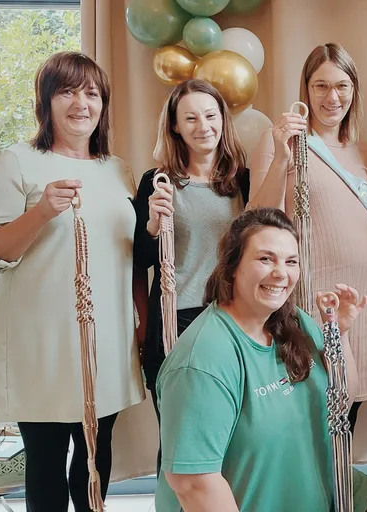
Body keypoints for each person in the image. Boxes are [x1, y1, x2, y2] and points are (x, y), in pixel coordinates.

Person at [0, 51, 144, 511]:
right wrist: (41, 211)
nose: (81, 103)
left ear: (103, 103)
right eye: (66, 91)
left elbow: (129, 255)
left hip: (106, 342)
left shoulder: (118, 170)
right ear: (45, 103)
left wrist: (140, 322)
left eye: (91, 92)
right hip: (40, 345)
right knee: (44, 465)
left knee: (94, 462)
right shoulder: (15, 162)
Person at [155, 207, 367, 512]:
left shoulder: (293, 321)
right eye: (265, 258)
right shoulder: (203, 360)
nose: (281, 273)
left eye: (291, 261)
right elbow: (193, 484)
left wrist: (341, 334)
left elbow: (344, 396)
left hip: (307, 480)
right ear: (233, 266)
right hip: (250, 499)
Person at [250, 42, 367, 434]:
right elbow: (257, 219)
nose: (333, 97)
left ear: (354, 90)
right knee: (311, 404)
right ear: (305, 90)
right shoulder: (281, 140)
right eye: (321, 86)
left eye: (342, 86)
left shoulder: (365, 151)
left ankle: (338, 493)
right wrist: (281, 158)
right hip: (312, 294)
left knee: (347, 412)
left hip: (359, 299)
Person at [132, 79, 250, 424]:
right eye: (191, 119)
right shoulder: (156, 181)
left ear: (223, 120)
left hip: (234, 317)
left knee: (233, 434)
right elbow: (139, 260)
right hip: (178, 320)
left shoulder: (243, 181)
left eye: (210, 116)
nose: (204, 127)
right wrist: (153, 223)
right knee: (179, 433)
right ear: (175, 126)